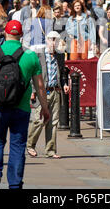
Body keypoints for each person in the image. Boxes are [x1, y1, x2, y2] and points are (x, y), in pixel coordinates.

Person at [0, 20, 50, 189]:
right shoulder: (30, 56)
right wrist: (45, 108)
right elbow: (40, 86)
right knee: (17, 146)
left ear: (5, 33)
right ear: (21, 35)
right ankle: (15, 184)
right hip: (21, 108)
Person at [27, 31, 69, 159]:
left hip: (55, 91)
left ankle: (50, 150)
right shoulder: (38, 55)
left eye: (56, 40)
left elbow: (62, 73)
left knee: (53, 122)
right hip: (42, 92)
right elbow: (32, 74)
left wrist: (65, 83)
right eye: (51, 39)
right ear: (46, 40)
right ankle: (30, 145)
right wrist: (33, 91)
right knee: (39, 120)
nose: (53, 42)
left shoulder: (60, 56)